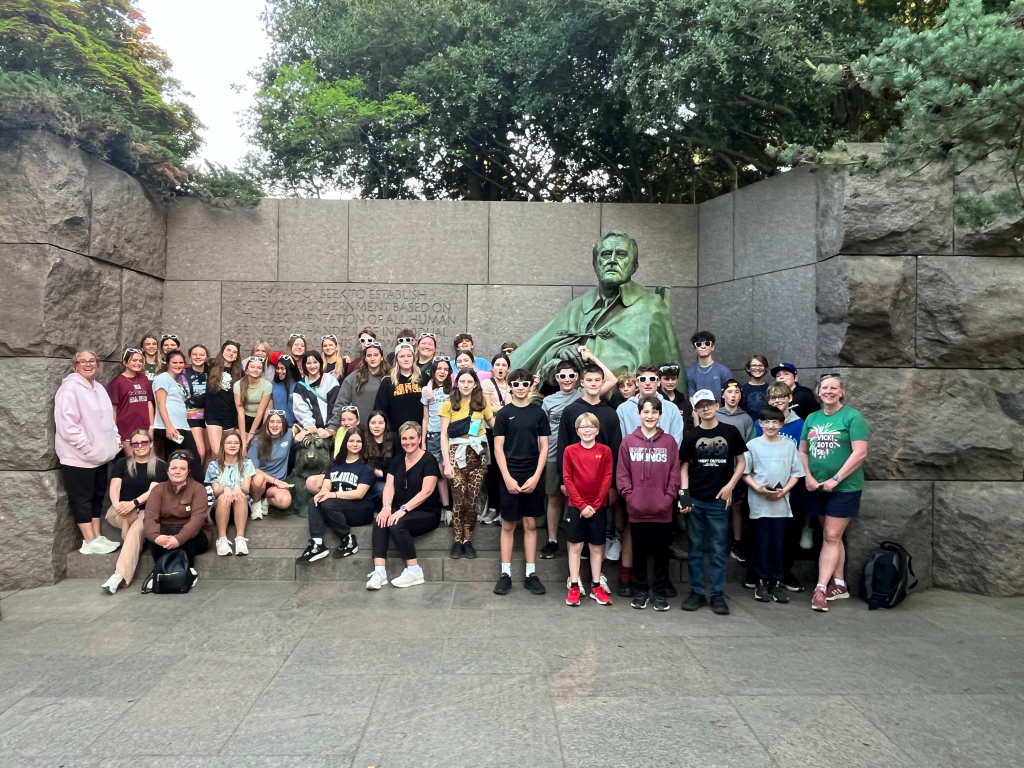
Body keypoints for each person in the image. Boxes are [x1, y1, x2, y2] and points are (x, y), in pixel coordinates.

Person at [510, 231, 682, 379]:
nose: (612, 260)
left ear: (634, 266)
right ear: (595, 264)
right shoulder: (576, 308)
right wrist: (559, 354)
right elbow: (533, 356)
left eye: (621, 254)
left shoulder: (651, 307)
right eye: (606, 254)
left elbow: (670, 366)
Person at [800, 374, 870, 612]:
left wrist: (836, 478)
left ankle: (820, 588)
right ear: (819, 393)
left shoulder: (852, 417)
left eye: (834, 388)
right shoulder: (812, 418)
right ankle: (839, 583)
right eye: (824, 388)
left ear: (841, 392)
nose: (828, 391)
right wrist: (808, 476)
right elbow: (803, 451)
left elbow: (859, 453)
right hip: (817, 487)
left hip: (844, 488)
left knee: (830, 535)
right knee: (832, 536)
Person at [679, 389, 748, 616]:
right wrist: (684, 494)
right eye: (701, 406)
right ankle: (697, 592)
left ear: (717, 405)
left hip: (719, 500)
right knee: (695, 548)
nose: (705, 408)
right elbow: (684, 467)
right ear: (696, 409)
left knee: (718, 549)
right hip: (696, 499)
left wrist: (730, 486)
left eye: (709, 404)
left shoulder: (730, 432)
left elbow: (741, 463)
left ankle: (717, 594)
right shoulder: (690, 435)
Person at [616, 396, 681, 612]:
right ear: (639, 414)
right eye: (646, 412)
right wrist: (630, 496)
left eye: (654, 412)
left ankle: (660, 593)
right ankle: (641, 591)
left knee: (662, 553)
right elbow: (623, 473)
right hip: (637, 508)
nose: (650, 416)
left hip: (663, 509)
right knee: (640, 552)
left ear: (661, 415)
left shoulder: (669, 441)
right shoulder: (628, 441)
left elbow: (674, 472)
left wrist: (668, 497)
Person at [55, 349, 122, 555]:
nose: (88, 364)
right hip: (79, 458)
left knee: (96, 496)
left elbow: (109, 419)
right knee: (82, 498)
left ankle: (96, 536)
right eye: (82, 361)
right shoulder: (69, 390)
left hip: (101, 456)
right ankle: (88, 540)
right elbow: (68, 426)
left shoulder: (98, 388)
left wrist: (116, 440)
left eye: (92, 361)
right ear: (75, 365)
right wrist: (88, 448)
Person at [492, 367, 550, 596]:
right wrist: (506, 477)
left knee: (530, 524)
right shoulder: (505, 414)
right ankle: (505, 573)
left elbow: (544, 447)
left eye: (524, 383)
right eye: (516, 384)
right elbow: (497, 447)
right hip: (510, 472)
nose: (520, 388)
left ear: (530, 386)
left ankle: (530, 574)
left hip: (532, 472)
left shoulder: (538, 413)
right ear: (511, 386)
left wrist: (536, 476)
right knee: (508, 524)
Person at [556, 362, 622, 562]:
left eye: (597, 381)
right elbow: (563, 444)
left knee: (598, 532)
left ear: (602, 383)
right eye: (589, 380)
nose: (593, 384)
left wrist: (613, 485)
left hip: (601, 483)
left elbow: (615, 448)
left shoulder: (610, 413)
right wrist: (563, 480)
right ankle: (573, 577)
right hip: (575, 482)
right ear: (582, 383)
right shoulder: (570, 411)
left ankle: (597, 576)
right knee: (575, 531)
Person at [367, 422, 444, 589]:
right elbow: (389, 486)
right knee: (381, 520)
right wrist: (386, 507)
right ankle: (379, 572)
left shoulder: (428, 460)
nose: (408, 442)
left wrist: (403, 510)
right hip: (401, 510)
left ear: (419, 438)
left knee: (396, 524)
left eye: (412, 438)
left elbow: (427, 491)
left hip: (426, 512)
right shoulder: (397, 461)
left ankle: (414, 570)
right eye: (404, 438)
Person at [743, 406, 805, 604]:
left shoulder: (788, 446)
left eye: (775, 422)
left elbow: (796, 472)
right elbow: (745, 473)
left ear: (781, 424)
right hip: (759, 504)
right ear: (760, 424)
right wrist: (757, 489)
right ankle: (761, 582)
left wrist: (785, 490)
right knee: (761, 544)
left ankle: (776, 583)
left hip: (781, 504)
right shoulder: (752, 445)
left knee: (778, 544)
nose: (771, 426)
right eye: (767, 422)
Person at [101, 430, 168, 593]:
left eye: (144, 442)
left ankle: (119, 576)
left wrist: (134, 503)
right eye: (135, 444)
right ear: (130, 446)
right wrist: (117, 505)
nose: (140, 447)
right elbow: (115, 486)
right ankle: (135, 541)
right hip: (119, 511)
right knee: (129, 519)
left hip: (146, 511)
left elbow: (153, 490)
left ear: (151, 444)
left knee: (136, 530)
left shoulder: (160, 466)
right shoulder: (122, 463)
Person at [296, 429, 376, 562]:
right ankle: (317, 544)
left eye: (358, 441)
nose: (355, 444)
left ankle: (348, 540)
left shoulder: (366, 466)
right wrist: (322, 493)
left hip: (361, 510)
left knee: (327, 502)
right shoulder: (336, 464)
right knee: (315, 500)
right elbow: (326, 485)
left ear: (363, 444)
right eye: (351, 441)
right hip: (338, 508)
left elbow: (359, 493)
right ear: (345, 443)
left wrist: (332, 495)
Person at [440, 369, 494, 559]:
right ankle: (457, 539)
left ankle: (468, 539)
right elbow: (443, 435)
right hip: (456, 453)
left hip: (477, 453)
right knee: (459, 498)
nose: (465, 384)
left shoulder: (481, 403)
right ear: (457, 383)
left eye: (469, 381)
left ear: (475, 384)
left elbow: (493, 423)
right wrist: (447, 462)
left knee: (472, 499)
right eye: (462, 381)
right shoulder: (449, 404)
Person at [562, 413, 614, 607]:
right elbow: (568, 479)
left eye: (591, 427)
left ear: (597, 430)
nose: (587, 430)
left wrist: (596, 503)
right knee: (575, 546)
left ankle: (596, 585)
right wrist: (582, 505)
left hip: (598, 506)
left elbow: (607, 478)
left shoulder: (605, 451)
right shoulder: (570, 451)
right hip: (577, 506)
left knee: (596, 547)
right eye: (583, 427)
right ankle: (574, 585)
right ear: (577, 431)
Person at [762, 383, 810, 593]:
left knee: (789, 536)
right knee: (765, 535)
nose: (777, 401)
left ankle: (785, 572)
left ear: (790, 398)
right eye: (773, 398)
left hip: (793, 492)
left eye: (781, 397)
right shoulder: (761, 423)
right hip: (764, 491)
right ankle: (762, 573)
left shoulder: (801, 425)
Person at [538, 360, 582, 559]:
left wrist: (589, 356)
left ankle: (578, 539)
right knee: (554, 498)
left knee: (578, 498)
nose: (567, 379)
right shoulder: (549, 401)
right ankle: (553, 540)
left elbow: (610, 380)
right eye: (562, 376)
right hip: (554, 455)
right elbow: (543, 432)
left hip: (580, 457)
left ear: (577, 377)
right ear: (556, 378)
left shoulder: (583, 395)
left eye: (571, 375)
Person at [144, 449, 212, 568]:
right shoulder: (158, 489)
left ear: (188, 471)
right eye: (174, 468)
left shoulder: (198, 489)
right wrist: (156, 537)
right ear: (168, 471)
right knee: (159, 535)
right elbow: (149, 517)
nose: (177, 472)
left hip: (195, 536)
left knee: (186, 534)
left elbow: (197, 519)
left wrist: (178, 539)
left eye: (182, 468)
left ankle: (188, 571)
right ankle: (159, 571)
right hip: (165, 532)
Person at [718, 379, 754, 565]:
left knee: (737, 506)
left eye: (737, 393)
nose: (733, 396)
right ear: (723, 394)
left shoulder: (746, 418)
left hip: (737, 470)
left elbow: (749, 446)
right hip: (716, 470)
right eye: (730, 392)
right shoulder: (715, 415)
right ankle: (716, 543)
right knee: (717, 507)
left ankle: (737, 543)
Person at [152, 350, 202, 480]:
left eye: (181, 362)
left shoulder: (178, 381)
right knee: (173, 463)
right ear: (168, 363)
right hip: (168, 428)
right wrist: (169, 426)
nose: (178, 365)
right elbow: (160, 403)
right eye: (174, 362)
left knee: (190, 461)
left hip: (182, 426)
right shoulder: (163, 378)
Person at [205, 429, 256, 557]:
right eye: (229, 443)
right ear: (223, 445)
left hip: (241, 506)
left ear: (240, 446)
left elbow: (246, 489)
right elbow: (216, 491)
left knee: (240, 495)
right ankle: (221, 539)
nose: (232, 446)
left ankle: (240, 539)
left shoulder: (246, 463)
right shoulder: (214, 465)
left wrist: (239, 488)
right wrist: (225, 489)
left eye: (236, 443)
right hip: (220, 507)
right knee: (223, 497)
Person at [616, 364, 684, 446]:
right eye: (643, 379)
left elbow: (675, 441)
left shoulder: (672, 408)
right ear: (637, 382)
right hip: (633, 457)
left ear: (658, 382)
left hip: (664, 457)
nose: (647, 383)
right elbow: (622, 442)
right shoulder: (623, 409)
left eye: (652, 379)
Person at [373, 343, 424, 452]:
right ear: (396, 359)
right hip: (395, 436)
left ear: (414, 358)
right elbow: (380, 410)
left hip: (419, 435)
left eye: (409, 356)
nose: (406, 359)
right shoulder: (387, 382)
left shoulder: (423, 379)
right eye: (402, 356)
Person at [331, 341, 388, 435]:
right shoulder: (354, 377)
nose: (372, 358)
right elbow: (341, 403)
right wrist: (333, 426)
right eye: (369, 355)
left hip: (383, 430)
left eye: (376, 355)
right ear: (365, 358)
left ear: (381, 357)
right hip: (359, 431)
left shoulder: (389, 377)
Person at [481, 353, 512, 524]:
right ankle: (493, 507)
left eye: (504, 365)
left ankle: (504, 508)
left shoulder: (512, 384)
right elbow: (485, 408)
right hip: (491, 431)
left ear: (508, 368)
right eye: (497, 365)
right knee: (493, 471)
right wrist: (502, 408)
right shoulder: (486, 384)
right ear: (492, 368)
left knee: (506, 470)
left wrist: (497, 408)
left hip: (511, 433)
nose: (500, 368)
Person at [421, 357, 453, 514]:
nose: (442, 372)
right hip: (433, 435)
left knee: (451, 471)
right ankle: (445, 506)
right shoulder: (427, 391)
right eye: (439, 368)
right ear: (433, 371)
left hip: (451, 435)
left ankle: (454, 506)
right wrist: (422, 441)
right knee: (439, 473)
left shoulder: (454, 389)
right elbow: (425, 418)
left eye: (445, 369)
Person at [107, 347, 155, 455]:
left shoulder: (144, 379)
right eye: (134, 360)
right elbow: (113, 409)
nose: (138, 363)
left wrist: (151, 426)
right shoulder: (117, 382)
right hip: (126, 430)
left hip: (144, 429)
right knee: (132, 461)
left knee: (146, 461)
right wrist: (114, 432)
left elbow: (149, 403)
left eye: (140, 361)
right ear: (125, 362)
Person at [247, 411, 294, 517]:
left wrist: (303, 433)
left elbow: (304, 430)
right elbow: (253, 468)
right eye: (272, 422)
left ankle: (265, 502)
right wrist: (275, 481)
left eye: (279, 422)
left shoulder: (289, 434)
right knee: (258, 478)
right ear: (267, 423)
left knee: (285, 501)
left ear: (284, 424)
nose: (275, 425)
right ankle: (256, 503)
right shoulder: (257, 440)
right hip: (258, 483)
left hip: (275, 486)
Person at [204, 341, 243, 461]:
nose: (231, 353)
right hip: (213, 414)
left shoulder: (240, 373)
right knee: (216, 451)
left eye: (234, 352)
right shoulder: (210, 367)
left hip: (229, 416)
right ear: (222, 351)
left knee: (227, 453)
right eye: (228, 350)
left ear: (237, 356)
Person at [292, 351, 340, 437]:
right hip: (311, 431)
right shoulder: (300, 387)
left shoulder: (331, 381)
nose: (312, 366)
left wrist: (330, 427)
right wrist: (312, 428)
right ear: (304, 365)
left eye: (315, 362)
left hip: (331, 429)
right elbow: (301, 410)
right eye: (309, 363)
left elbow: (335, 405)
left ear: (320, 363)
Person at [233, 356, 273, 452]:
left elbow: (260, 412)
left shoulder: (267, 385)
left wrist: (251, 434)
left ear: (262, 371)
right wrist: (243, 439)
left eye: (259, 368)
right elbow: (240, 411)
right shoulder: (238, 384)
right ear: (247, 369)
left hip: (258, 419)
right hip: (243, 418)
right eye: (252, 367)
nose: (255, 370)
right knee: (242, 447)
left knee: (253, 447)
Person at [686, 331, 733, 401]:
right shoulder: (690, 372)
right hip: (699, 411)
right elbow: (691, 396)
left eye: (707, 343)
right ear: (695, 349)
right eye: (698, 344)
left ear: (712, 347)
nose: (703, 346)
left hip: (720, 411)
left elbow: (730, 394)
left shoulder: (724, 371)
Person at [182, 344, 209, 464]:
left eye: (201, 354)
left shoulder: (212, 372)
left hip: (210, 415)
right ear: (190, 357)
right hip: (192, 415)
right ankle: (195, 478)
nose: (198, 357)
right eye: (195, 354)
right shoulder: (182, 373)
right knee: (200, 452)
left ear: (207, 357)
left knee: (209, 451)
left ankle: (205, 480)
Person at [364, 410, 392, 508]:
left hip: (392, 478)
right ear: (368, 425)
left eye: (380, 423)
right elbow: (364, 464)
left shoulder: (394, 440)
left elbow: (398, 464)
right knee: (382, 489)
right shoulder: (363, 441)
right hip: (372, 481)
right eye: (373, 423)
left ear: (386, 424)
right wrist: (374, 471)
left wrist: (382, 473)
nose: (377, 426)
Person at [270, 353, 301, 426]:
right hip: (277, 426)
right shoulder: (274, 384)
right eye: (278, 368)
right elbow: (270, 406)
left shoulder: (299, 385)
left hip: (295, 426)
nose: (279, 371)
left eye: (283, 369)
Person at [742, 355, 770, 422]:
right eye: (754, 365)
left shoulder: (771, 389)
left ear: (765, 368)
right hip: (748, 427)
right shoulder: (742, 389)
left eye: (760, 365)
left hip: (768, 426)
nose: (757, 368)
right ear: (748, 368)